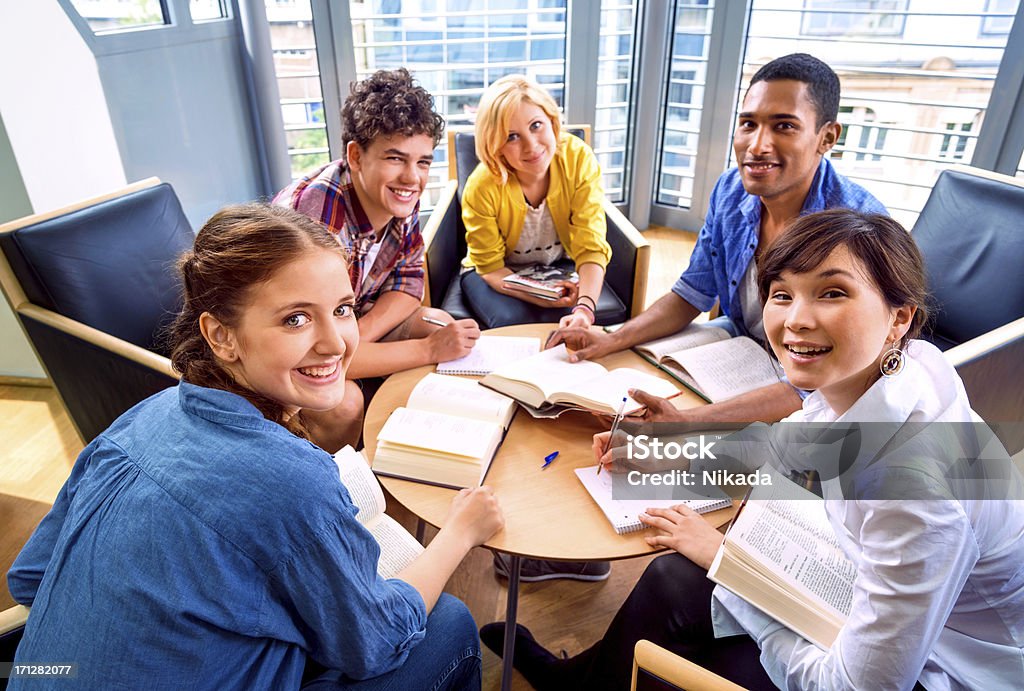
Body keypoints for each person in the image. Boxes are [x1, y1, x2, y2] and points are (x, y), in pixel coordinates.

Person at [481, 209, 1024, 690]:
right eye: (782, 294)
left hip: (946, 660)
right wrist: (664, 453)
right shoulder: (895, 373)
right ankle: (586, 680)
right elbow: (790, 450)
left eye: (832, 292)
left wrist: (731, 570)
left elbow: (858, 685)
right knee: (674, 577)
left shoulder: (919, 497)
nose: (795, 320)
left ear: (898, 317)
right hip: (878, 582)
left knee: (695, 608)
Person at [7, 205, 505, 690]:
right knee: (447, 623)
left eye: (342, 309)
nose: (336, 344)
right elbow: (377, 641)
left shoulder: (133, 422)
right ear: (221, 336)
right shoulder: (290, 481)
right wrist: (460, 532)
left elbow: (30, 578)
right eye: (295, 319)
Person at [550, 53, 886, 425]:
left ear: (826, 138)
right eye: (748, 124)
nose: (757, 145)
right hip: (743, 351)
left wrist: (689, 423)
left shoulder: (859, 228)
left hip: (821, 399)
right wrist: (610, 339)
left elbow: (826, 383)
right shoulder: (731, 191)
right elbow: (691, 293)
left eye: (784, 127)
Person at [275, 68, 481, 452]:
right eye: (395, 158)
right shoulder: (316, 215)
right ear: (356, 155)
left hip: (345, 321)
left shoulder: (398, 196)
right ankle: (340, 482)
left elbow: (408, 281)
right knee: (346, 402)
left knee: (438, 322)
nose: (412, 178)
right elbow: (318, 345)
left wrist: (360, 333)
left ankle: (418, 442)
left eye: (423, 162)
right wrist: (427, 350)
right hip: (291, 346)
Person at [460, 74, 612, 329]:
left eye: (536, 125)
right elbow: (491, 269)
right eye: (511, 136)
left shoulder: (578, 159)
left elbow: (591, 245)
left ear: (552, 121)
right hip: (494, 272)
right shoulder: (481, 186)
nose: (531, 146)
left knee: (570, 321)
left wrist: (584, 309)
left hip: (557, 265)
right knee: (512, 322)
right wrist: (540, 296)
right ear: (495, 146)